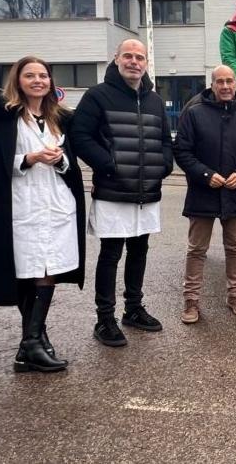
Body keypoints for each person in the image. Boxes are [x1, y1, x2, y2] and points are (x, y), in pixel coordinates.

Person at [0, 56, 86, 372]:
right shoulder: (1, 114)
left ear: (50, 81)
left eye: (43, 76)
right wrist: (30, 158)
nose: (38, 81)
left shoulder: (59, 117)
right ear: (17, 80)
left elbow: (70, 164)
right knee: (27, 269)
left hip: (56, 202)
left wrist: (59, 160)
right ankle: (33, 342)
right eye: (30, 75)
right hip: (20, 203)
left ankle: (32, 341)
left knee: (47, 268)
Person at [70, 39, 173, 347]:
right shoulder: (97, 96)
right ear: (116, 60)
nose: (134, 61)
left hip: (147, 191)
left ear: (145, 64)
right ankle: (104, 319)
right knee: (111, 254)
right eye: (127, 56)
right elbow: (80, 136)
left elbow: (166, 142)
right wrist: (109, 164)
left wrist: (163, 167)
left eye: (139, 57)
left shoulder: (154, 100)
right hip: (113, 191)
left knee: (139, 251)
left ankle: (133, 309)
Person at [173, 65, 236, 323]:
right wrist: (205, 174)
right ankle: (191, 301)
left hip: (234, 194)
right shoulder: (194, 114)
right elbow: (182, 151)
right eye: (220, 82)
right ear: (212, 85)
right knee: (197, 250)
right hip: (202, 194)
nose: (225, 86)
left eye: (230, 82)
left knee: (235, 247)